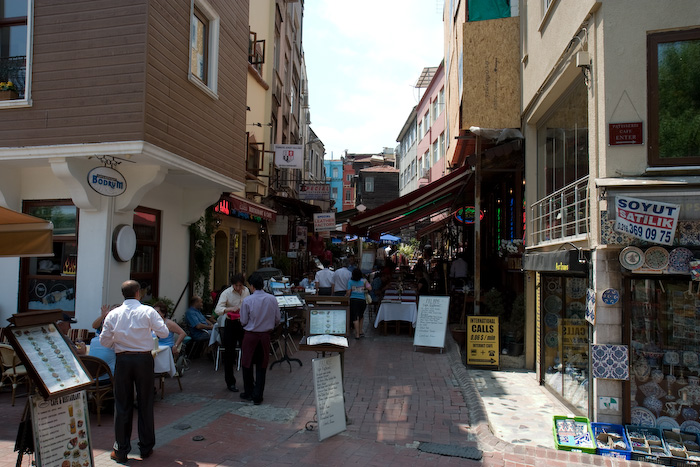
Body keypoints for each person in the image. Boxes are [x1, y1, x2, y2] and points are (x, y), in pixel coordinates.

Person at [99, 280, 169, 463]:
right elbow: (164, 333)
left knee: (122, 404)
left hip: (123, 359)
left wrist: (119, 340)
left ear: (124, 294)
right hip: (144, 359)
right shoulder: (148, 311)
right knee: (145, 402)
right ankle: (146, 447)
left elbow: (104, 341)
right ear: (138, 293)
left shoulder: (113, 314)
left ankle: (121, 449)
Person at [239, 273, 280, 405]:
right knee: (262, 366)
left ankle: (248, 391)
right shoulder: (272, 299)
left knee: (247, 364)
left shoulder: (247, 301)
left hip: (250, 336)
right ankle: (258, 395)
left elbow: (243, 321)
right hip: (265, 336)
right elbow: (277, 319)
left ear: (252, 286)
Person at [214, 274, 250, 393]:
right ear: (232, 284)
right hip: (231, 323)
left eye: (240, 285)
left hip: (243, 323)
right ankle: (230, 382)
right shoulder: (226, 293)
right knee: (229, 353)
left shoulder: (247, 291)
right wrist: (230, 309)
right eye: (236, 286)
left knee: (246, 351)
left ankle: (248, 381)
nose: (238, 288)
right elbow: (217, 309)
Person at [346, 268, 371, 340]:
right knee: (361, 316)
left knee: (354, 316)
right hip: (362, 300)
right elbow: (370, 288)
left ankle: (357, 334)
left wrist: (346, 297)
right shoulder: (364, 281)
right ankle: (360, 331)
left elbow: (348, 292)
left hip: (353, 300)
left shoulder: (350, 281)